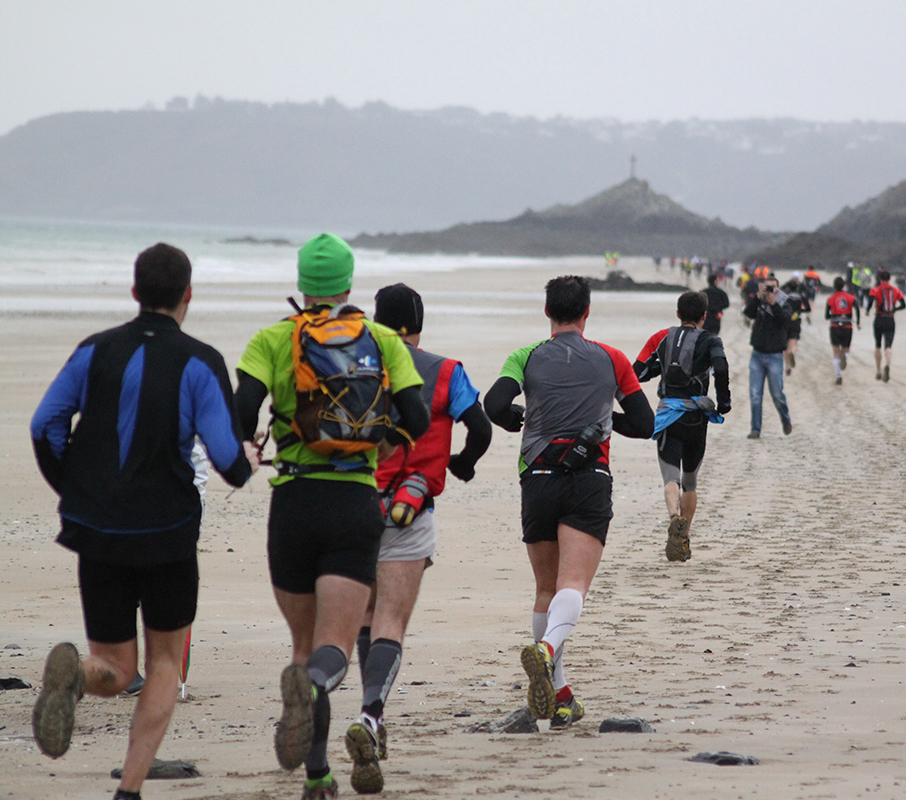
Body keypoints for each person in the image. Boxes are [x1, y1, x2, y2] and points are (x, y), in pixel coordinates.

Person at [30, 243, 258, 800]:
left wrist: (78, 489)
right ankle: (129, 790)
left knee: (112, 664)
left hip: (98, 528)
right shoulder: (201, 361)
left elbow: (44, 426)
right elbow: (228, 461)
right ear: (188, 295)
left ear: (134, 292)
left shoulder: (94, 350)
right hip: (167, 533)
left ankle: (79, 676)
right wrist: (248, 461)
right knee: (160, 664)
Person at [234, 234, 430, 800]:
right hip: (354, 504)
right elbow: (416, 416)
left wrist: (250, 448)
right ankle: (316, 686)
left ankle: (317, 773)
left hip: (292, 502)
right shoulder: (382, 338)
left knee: (302, 644)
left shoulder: (274, 339)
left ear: (302, 284)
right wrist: (381, 445)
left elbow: (241, 413)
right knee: (333, 651)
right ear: (348, 283)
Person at [484, 276, 653, 729]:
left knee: (546, 589)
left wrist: (522, 416)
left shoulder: (526, 356)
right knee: (573, 586)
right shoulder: (612, 358)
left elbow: (494, 404)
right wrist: (601, 415)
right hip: (587, 478)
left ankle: (560, 696)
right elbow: (644, 422)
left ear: (547, 314)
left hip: (537, 478)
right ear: (587, 312)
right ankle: (545, 651)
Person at [344, 284, 492, 794]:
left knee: (364, 615)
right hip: (411, 507)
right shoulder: (446, 371)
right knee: (392, 620)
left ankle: (371, 719)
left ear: (380, 321)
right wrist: (462, 465)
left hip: (353, 502)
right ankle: (369, 715)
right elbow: (482, 428)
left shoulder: (357, 364)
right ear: (420, 321)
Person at [633, 291, 731, 562]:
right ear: (703, 316)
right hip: (697, 418)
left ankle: (673, 518)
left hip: (668, 417)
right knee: (690, 481)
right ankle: (683, 537)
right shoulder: (711, 340)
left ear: (677, 314)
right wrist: (724, 402)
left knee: (670, 478)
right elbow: (721, 368)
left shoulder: (661, 337)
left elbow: (637, 372)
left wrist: (659, 369)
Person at [742, 274, 793, 438]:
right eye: (767, 287)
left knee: (777, 394)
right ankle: (755, 429)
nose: (770, 290)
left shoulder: (785, 302)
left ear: (778, 288)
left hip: (775, 355)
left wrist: (773, 302)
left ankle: (785, 419)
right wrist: (757, 298)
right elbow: (748, 314)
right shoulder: (759, 302)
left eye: (773, 287)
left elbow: (784, 321)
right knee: (755, 394)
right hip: (757, 353)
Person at [864, 269, 906, 382]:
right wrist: (894, 309)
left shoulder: (875, 290)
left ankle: (878, 370)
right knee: (888, 346)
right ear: (890, 278)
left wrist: (868, 311)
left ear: (879, 279)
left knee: (878, 345)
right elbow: (903, 305)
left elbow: (870, 302)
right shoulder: (896, 290)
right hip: (890, 319)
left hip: (879, 319)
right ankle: (887, 364)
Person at [825, 276, 860, 385]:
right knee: (846, 348)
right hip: (847, 326)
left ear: (834, 286)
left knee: (836, 350)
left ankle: (838, 375)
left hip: (835, 325)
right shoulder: (850, 297)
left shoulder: (830, 299)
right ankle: (845, 356)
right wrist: (858, 321)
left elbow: (826, 316)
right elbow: (857, 308)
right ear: (844, 285)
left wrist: (833, 315)